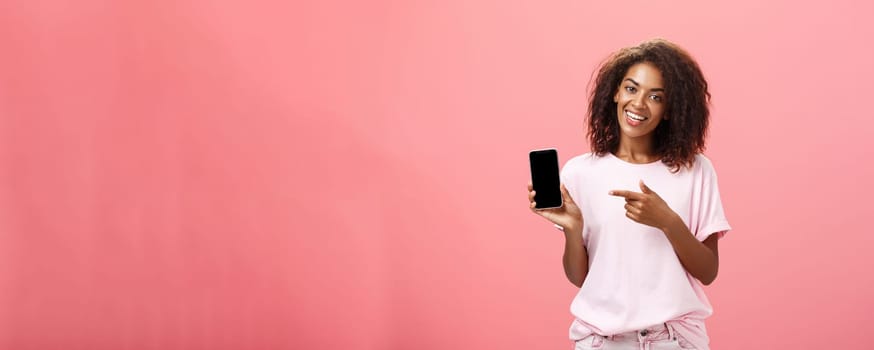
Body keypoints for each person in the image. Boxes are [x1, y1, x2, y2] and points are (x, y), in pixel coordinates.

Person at [527, 38, 731, 350]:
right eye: (631, 88)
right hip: (601, 341)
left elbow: (708, 272)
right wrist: (573, 229)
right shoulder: (580, 173)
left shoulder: (695, 170)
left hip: (673, 340)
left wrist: (667, 221)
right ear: (615, 92)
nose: (638, 103)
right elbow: (581, 278)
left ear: (668, 110)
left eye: (656, 96)